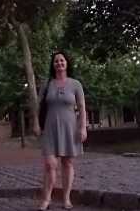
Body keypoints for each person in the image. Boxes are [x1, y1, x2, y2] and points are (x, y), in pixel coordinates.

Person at [34, 51, 87, 210]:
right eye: (56, 61)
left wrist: (83, 127)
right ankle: (46, 199)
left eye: (62, 60)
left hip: (70, 128)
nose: (59, 63)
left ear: (67, 63)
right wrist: (36, 124)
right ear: (53, 65)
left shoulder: (75, 84)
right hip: (50, 128)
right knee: (50, 165)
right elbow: (38, 107)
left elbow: (82, 108)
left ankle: (66, 198)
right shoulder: (47, 84)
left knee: (68, 163)